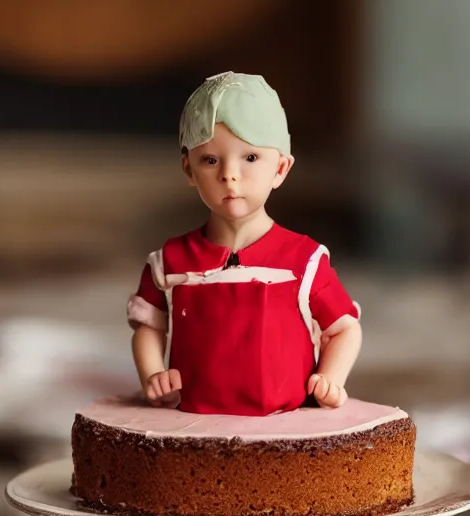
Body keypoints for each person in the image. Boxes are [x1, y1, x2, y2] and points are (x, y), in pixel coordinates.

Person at [128, 71, 361, 417]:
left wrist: (331, 378)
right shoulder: (170, 262)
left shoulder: (305, 260)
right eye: (210, 160)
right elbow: (149, 327)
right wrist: (153, 375)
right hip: (193, 430)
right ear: (188, 169)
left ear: (280, 168)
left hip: (286, 431)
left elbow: (344, 329)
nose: (229, 175)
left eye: (250, 158)